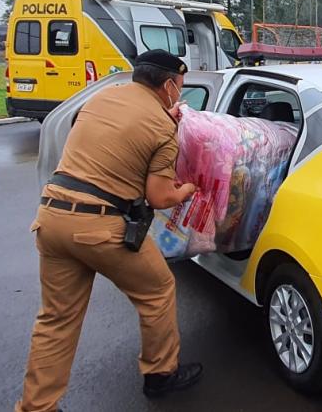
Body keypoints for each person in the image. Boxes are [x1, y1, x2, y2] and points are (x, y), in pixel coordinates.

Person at [15, 50, 201, 412]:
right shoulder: (162, 127)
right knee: (158, 290)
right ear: (167, 85)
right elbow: (160, 196)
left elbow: (115, 138)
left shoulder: (103, 97)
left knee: (56, 319)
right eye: (180, 86)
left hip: (51, 217)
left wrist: (164, 122)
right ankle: (161, 375)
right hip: (102, 226)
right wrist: (188, 189)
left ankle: (37, 407)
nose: (179, 93)